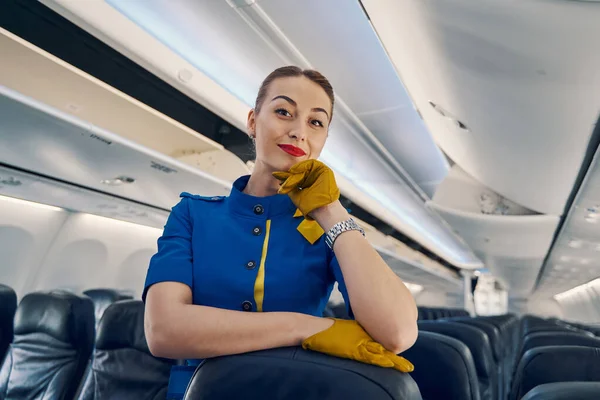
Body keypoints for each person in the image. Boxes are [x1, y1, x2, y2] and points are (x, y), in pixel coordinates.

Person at [142, 66, 419, 398]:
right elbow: (163, 331)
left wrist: (330, 210)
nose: (299, 132)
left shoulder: (328, 230)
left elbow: (398, 332)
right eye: (284, 112)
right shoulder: (192, 215)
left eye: (316, 122)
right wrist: (304, 327)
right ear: (253, 121)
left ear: (323, 140)